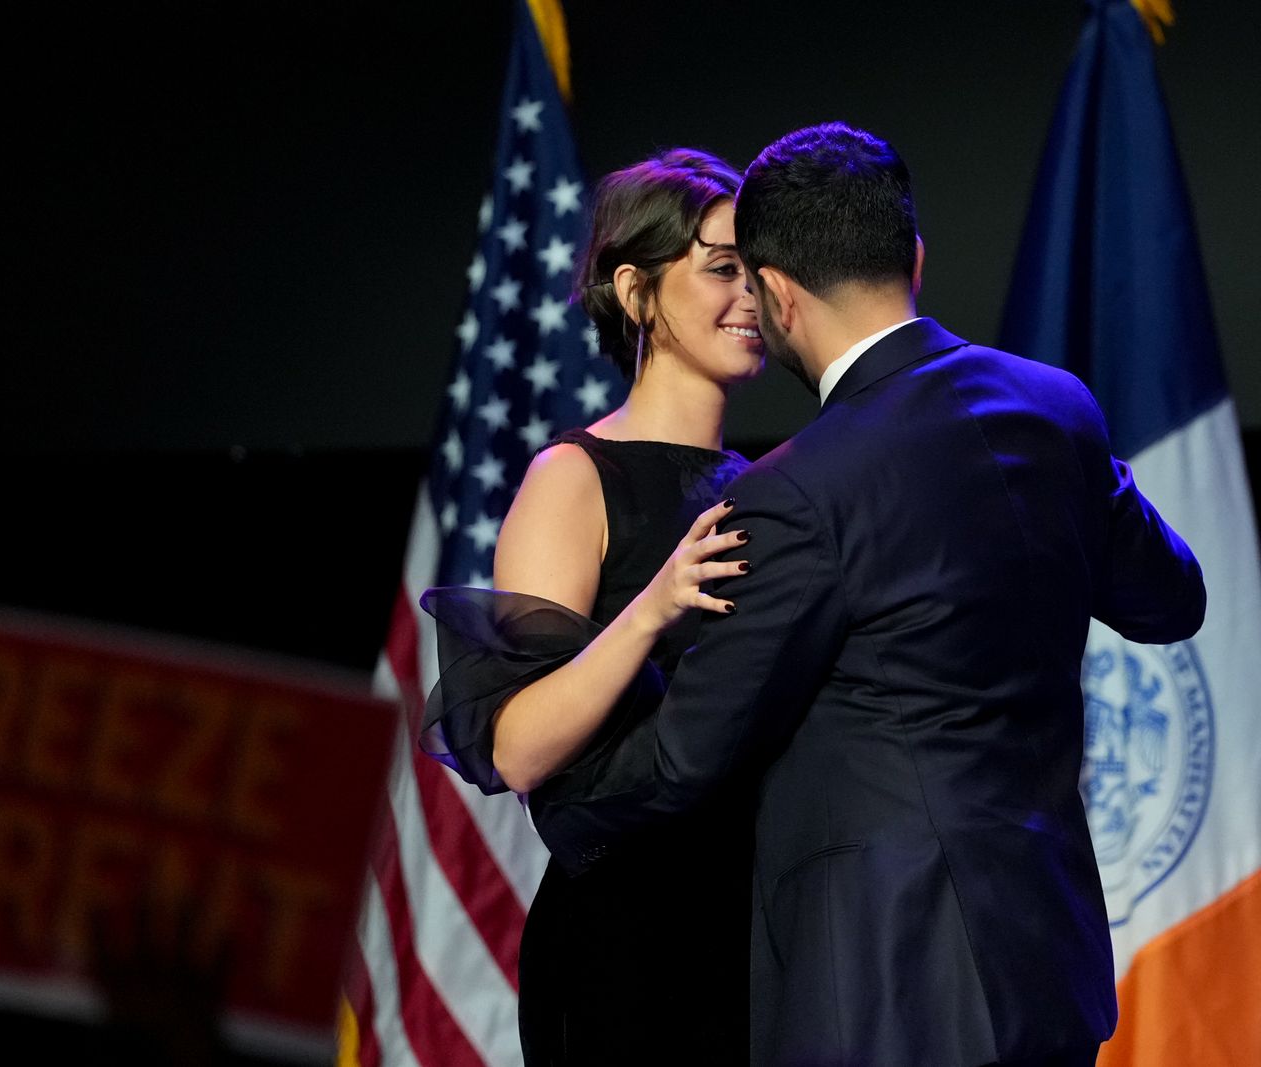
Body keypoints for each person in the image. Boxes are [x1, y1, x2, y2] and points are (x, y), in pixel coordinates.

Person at [529, 122, 1206, 1067]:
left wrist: (547, 780)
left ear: (775, 295)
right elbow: (1172, 602)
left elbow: (685, 757)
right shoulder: (1057, 409)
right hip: (1048, 963)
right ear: (915, 255)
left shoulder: (797, 487)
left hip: (885, 986)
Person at [420, 148, 762, 1064]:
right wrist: (650, 610)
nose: (751, 294)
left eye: (758, 269)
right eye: (721, 266)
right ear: (637, 291)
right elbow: (517, 746)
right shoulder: (573, 479)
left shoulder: (770, 490)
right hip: (625, 948)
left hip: (758, 939)